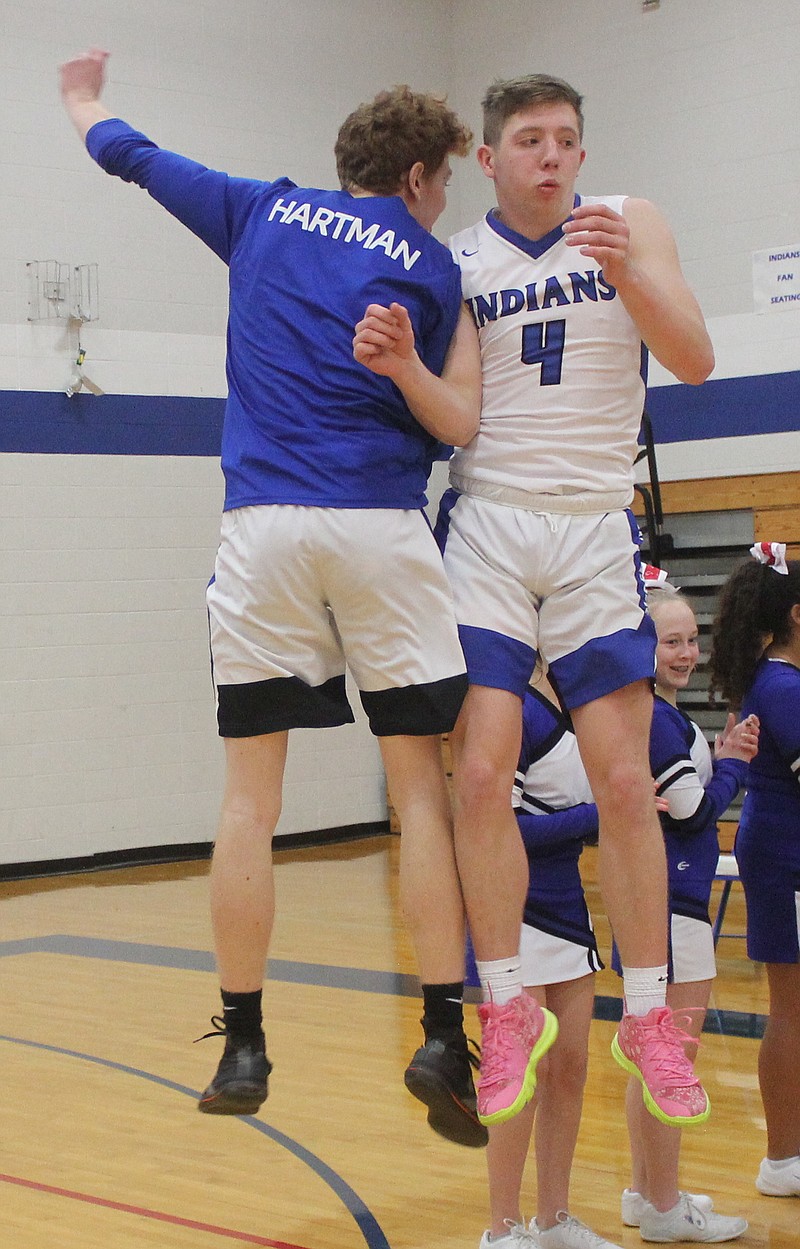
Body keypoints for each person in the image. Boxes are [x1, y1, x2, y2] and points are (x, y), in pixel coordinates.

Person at [59, 48, 489, 1146]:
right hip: (381, 530)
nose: (444, 201)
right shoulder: (436, 270)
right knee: (419, 791)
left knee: (250, 799)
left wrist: (83, 96)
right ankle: (443, 1032)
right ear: (415, 177)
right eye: (444, 179)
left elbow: (133, 158)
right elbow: (455, 423)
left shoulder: (261, 212)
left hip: (262, 533)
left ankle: (244, 1038)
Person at [436, 71, 717, 1129]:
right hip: (492, 520)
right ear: (488, 156)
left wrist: (626, 275)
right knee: (479, 770)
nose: (549, 156)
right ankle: (502, 1001)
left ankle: (646, 1013)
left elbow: (691, 358)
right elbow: (449, 414)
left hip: (596, 520)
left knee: (620, 779)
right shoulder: (459, 261)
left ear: (581, 153)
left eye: (563, 140)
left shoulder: (628, 222)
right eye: (527, 140)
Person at [615, 571, 753, 1242]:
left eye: (692, 639)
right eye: (671, 640)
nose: (685, 652)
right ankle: (665, 1206)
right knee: (670, 1060)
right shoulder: (660, 721)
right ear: (642, 647)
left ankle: (648, 1191)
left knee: (652, 1056)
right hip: (674, 907)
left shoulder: (653, 713)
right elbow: (694, 811)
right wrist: (733, 763)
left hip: (658, 903)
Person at [474, 674, 622, 1249]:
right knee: (518, 1076)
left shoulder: (587, 698)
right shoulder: (510, 704)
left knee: (570, 1067)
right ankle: (503, 1228)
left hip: (568, 906)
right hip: (514, 911)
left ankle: (554, 1218)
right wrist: (597, 815)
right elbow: (491, 826)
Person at [709, 542, 800, 1200]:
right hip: (785, 854)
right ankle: (782, 1157)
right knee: (790, 1009)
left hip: (780, 843)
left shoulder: (781, 680)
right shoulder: (782, 686)